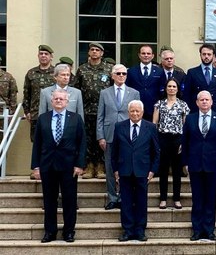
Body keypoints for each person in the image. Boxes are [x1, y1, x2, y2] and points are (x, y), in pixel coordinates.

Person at [31, 89, 86, 243]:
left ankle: (69, 231)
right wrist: (36, 167)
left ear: (67, 102)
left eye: (62, 99)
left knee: (69, 200)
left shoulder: (76, 119)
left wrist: (79, 165)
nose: (59, 101)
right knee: (49, 200)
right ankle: (50, 232)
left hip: (69, 167)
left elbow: (82, 143)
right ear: (51, 101)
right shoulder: (43, 118)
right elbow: (37, 145)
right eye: (56, 99)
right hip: (48, 165)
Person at [182, 91, 216, 241]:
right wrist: (185, 162)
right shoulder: (190, 119)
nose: (204, 102)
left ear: (211, 102)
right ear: (196, 102)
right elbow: (185, 142)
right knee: (197, 198)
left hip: (213, 164)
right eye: (201, 100)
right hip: (195, 164)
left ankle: (209, 230)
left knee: (210, 199)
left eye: (207, 100)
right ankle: (196, 230)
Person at [112, 100, 160, 242]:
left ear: (142, 112)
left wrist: (153, 170)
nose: (135, 113)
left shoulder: (150, 127)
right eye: (132, 111)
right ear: (128, 112)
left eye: (137, 111)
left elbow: (156, 151)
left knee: (141, 201)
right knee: (126, 201)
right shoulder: (119, 126)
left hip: (142, 171)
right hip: (124, 170)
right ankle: (127, 230)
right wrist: (115, 170)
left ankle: (140, 231)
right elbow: (114, 151)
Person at [97, 64, 140, 210]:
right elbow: (100, 116)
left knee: (126, 168)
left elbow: (138, 116)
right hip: (109, 135)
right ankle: (112, 197)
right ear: (112, 75)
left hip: (127, 136)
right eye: (118, 73)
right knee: (110, 167)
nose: (121, 76)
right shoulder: (105, 93)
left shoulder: (134, 93)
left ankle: (124, 197)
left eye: (124, 74)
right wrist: (100, 136)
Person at [74, 42, 112, 179]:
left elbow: (113, 89)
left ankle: (101, 167)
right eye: (92, 50)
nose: (94, 52)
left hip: (104, 111)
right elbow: (76, 90)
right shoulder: (82, 69)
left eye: (97, 50)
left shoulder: (109, 69)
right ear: (89, 53)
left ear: (102, 53)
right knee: (88, 140)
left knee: (102, 139)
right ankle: (89, 166)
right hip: (86, 110)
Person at [153, 79, 190, 209]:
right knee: (163, 170)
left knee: (176, 171)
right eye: (169, 86)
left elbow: (186, 126)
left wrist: (184, 143)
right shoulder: (159, 104)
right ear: (165, 88)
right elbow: (154, 124)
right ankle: (163, 198)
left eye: (174, 86)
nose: (172, 88)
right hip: (163, 138)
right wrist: (156, 142)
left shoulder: (183, 105)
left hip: (177, 139)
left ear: (178, 89)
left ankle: (176, 198)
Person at [23, 45, 56, 143]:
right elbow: (26, 93)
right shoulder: (31, 73)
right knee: (37, 142)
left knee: (52, 142)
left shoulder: (56, 72)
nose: (43, 56)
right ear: (38, 56)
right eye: (41, 54)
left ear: (51, 57)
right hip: (35, 114)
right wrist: (27, 111)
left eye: (46, 54)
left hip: (53, 113)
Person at [183, 44, 216, 115]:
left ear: (213, 56)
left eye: (209, 54)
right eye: (204, 54)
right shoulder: (192, 73)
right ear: (200, 55)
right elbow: (187, 95)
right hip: (196, 111)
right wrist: (187, 114)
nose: (206, 56)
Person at [126, 44, 167, 121]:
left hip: (153, 109)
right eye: (143, 53)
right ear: (139, 55)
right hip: (135, 110)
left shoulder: (160, 71)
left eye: (148, 53)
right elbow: (127, 90)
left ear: (152, 56)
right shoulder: (131, 71)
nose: (146, 55)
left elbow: (163, 90)